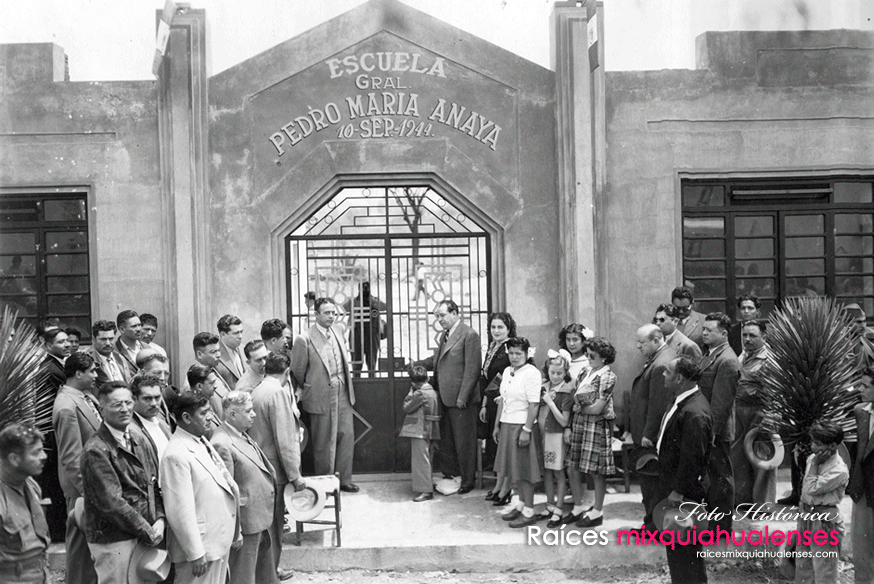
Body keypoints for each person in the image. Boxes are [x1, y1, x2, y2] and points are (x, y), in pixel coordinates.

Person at [81, 381, 165, 584]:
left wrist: (160, 520)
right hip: (114, 539)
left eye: (128, 402)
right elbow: (111, 502)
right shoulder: (96, 449)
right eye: (117, 404)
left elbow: (152, 485)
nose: (125, 409)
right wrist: (148, 530)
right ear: (102, 409)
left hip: (146, 534)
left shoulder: (138, 439)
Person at [161, 391, 240, 584]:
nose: (210, 418)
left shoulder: (201, 440)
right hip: (201, 550)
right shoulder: (176, 454)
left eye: (210, 412)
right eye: (204, 413)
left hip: (217, 541)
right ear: (186, 418)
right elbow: (180, 510)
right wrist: (195, 553)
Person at [211, 391, 286, 584]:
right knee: (243, 577)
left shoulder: (240, 434)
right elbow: (226, 492)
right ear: (232, 415)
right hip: (245, 523)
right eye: (248, 411)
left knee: (263, 575)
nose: (253, 414)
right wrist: (235, 531)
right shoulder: (222, 442)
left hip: (259, 517)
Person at [414, 299, 482, 494]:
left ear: (455, 313)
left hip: (462, 401)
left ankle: (468, 481)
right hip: (445, 398)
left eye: (442, 315)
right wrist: (415, 364)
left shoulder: (469, 335)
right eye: (437, 316)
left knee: (465, 443)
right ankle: (454, 477)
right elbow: (436, 361)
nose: (439, 320)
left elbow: (472, 369)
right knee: (450, 441)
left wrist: (463, 396)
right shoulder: (446, 335)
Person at [290, 298, 358, 492]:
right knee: (323, 440)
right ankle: (325, 483)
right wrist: (311, 386)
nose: (331, 316)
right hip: (320, 394)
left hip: (342, 390)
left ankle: (344, 480)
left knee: (346, 434)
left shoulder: (338, 331)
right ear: (317, 314)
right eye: (326, 313)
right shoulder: (304, 339)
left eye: (333, 313)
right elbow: (298, 370)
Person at [656, 356, 712, 584]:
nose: (663, 375)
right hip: (677, 487)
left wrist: (678, 491)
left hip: (684, 493)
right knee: (679, 548)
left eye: (667, 372)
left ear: (679, 378)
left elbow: (692, 458)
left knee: (685, 550)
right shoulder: (683, 401)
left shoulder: (694, 412)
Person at [249, 352, 302, 581]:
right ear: (287, 372)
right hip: (275, 470)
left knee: (267, 527)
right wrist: (295, 475)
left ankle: (268, 573)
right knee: (275, 528)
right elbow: (285, 440)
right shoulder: (278, 393)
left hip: (261, 465)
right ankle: (270, 575)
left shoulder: (258, 389)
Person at [52, 352, 101, 584]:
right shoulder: (66, 406)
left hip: (94, 485)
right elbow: (71, 458)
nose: (96, 375)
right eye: (92, 370)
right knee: (80, 548)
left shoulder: (84, 398)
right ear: (78, 373)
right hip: (82, 489)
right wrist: (88, 492)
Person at [564, 337, 617, 528]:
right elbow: (576, 399)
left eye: (592, 355)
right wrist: (570, 423)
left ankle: (597, 511)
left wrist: (579, 408)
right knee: (572, 466)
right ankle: (578, 507)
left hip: (595, 426)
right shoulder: (586, 371)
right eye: (587, 354)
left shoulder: (607, 376)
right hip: (579, 424)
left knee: (596, 472)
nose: (588, 358)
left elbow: (597, 409)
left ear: (604, 357)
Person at [628, 324, 676, 530]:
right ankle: (652, 524)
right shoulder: (659, 357)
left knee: (652, 484)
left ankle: (653, 528)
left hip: (651, 438)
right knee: (652, 484)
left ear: (656, 341)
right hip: (648, 434)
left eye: (642, 342)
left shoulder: (660, 364)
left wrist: (648, 434)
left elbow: (658, 406)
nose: (638, 346)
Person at [492, 337, 542, 528]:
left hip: (522, 426)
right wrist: (497, 425)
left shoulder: (532, 373)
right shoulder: (507, 371)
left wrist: (526, 430)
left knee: (525, 470)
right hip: (507, 424)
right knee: (515, 469)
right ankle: (520, 505)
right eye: (511, 353)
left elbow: (534, 404)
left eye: (518, 353)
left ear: (527, 354)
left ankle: (529, 511)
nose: (514, 357)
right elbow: (503, 399)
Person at [698, 312, 741, 532]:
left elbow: (721, 403)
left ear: (724, 334)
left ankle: (721, 529)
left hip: (716, 430)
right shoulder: (711, 354)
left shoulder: (727, 360)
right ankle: (715, 525)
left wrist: (711, 432)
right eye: (703, 329)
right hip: (708, 428)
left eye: (710, 330)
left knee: (720, 480)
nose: (704, 333)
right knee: (712, 479)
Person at [796, 421, 849, 584]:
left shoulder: (838, 470)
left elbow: (811, 488)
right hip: (806, 516)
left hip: (824, 522)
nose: (813, 447)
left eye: (817, 443)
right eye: (812, 441)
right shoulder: (814, 458)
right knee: (803, 567)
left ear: (833, 446)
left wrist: (815, 464)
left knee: (824, 571)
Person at [730, 320, 776, 505]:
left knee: (762, 458)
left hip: (760, 412)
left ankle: (763, 505)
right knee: (739, 456)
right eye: (745, 335)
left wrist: (770, 419)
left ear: (764, 337)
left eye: (753, 336)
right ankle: (743, 500)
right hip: (741, 411)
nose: (747, 339)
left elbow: (776, 393)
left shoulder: (769, 360)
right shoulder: (743, 355)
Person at [0, 423, 50, 584]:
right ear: (14, 459)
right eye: (36, 452)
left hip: (39, 574)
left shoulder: (31, 484)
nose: (44, 456)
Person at [37, 326, 70, 542]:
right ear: (48, 346)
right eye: (60, 342)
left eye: (67, 340)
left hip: (54, 430)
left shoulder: (57, 365)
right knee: (56, 484)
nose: (66, 344)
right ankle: (58, 532)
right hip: (53, 432)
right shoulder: (50, 369)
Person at [479, 312, 514, 494]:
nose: (496, 330)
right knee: (494, 443)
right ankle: (499, 484)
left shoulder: (511, 348)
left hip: (505, 402)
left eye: (500, 327)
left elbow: (503, 378)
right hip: (491, 401)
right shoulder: (493, 347)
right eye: (493, 327)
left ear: (508, 328)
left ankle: (505, 487)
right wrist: (484, 404)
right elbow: (487, 379)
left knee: (502, 443)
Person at [539, 350, 573, 527]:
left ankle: (559, 508)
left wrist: (550, 402)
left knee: (558, 472)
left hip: (556, 435)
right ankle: (550, 504)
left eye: (560, 373)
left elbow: (564, 420)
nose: (556, 376)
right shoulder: (544, 386)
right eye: (552, 372)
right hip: (543, 434)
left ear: (566, 372)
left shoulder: (566, 392)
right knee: (547, 471)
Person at [399, 366, 441, 502]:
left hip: (420, 430)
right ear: (427, 378)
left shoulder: (419, 393)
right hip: (431, 428)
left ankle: (425, 490)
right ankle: (427, 485)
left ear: (413, 383)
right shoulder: (433, 391)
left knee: (420, 461)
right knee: (427, 459)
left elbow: (406, 407)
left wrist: (410, 393)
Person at [848, 368, 874, 584]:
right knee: (861, 544)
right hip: (863, 487)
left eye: (866, 386)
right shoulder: (860, 411)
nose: (860, 390)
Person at [344, 281, 387, 372]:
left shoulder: (374, 300)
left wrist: (372, 301)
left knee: (372, 361)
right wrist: (357, 301)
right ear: (359, 289)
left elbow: (384, 307)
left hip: (372, 332)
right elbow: (344, 308)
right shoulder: (354, 301)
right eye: (363, 287)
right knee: (356, 360)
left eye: (367, 287)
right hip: (357, 331)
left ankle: (373, 381)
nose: (365, 289)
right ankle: (356, 380)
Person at [130, 374, 172, 460]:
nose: (154, 404)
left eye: (157, 397)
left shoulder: (163, 424)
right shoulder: (130, 430)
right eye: (147, 398)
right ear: (134, 400)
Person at [185, 333, 232, 406]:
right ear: (199, 354)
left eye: (218, 350)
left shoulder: (213, 369)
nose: (218, 355)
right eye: (213, 352)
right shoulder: (192, 383)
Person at [87, 321, 126, 387]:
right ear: (94, 339)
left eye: (111, 339)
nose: (108, 343)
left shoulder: (120, 357)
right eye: (103, 339)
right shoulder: (90, 361)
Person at [216, 315, 247, 389]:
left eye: (241, 332)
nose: (240, 336)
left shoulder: (244, 349)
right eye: (236, 333)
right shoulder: (214, 355)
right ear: (223, 335)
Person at [114, 310, 144, 381]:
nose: (138, 329)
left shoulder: (146, 348)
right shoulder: (114, 351)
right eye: (134, 326)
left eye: (139, 325)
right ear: (122, 329)